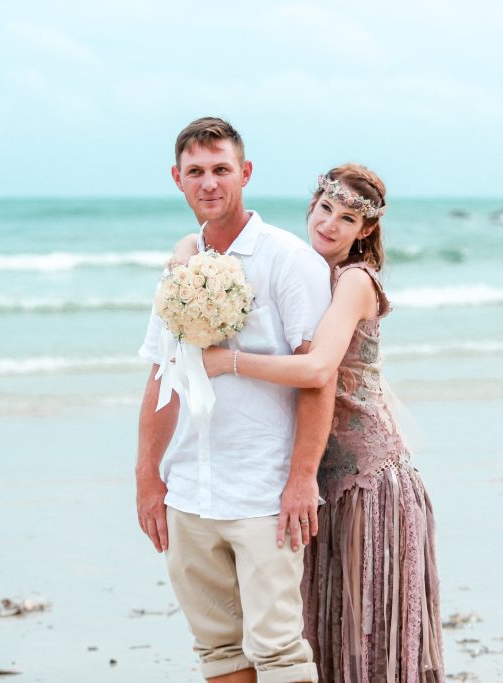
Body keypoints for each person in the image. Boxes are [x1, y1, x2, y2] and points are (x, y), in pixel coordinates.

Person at [175, 164, 444, 682]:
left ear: (365, 231)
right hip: (316, 473)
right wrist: (186, 249)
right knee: (321, 625)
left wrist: (226, 361)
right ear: (311, 206)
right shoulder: (304, 270)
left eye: (347, 219)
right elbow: (205, 237)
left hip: (368, 481)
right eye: (325, 209)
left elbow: (318, 369)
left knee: (368, 631)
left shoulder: (355, 281)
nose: (330, 225)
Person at [135, 117, 334, 683]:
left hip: (263, 491)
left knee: (277, 650)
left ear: (245, 172)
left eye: (221, 169)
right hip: (190, 490)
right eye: (195, 172)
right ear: (177, 179)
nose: (209, 183)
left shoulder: (288, 259)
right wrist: (148, 478)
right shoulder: (179, 270)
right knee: (217, 650)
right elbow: (160, 376)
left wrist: (301, 480)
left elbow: (319, 378)